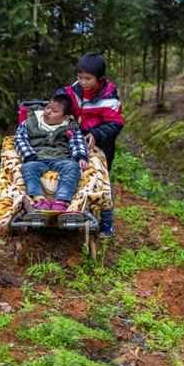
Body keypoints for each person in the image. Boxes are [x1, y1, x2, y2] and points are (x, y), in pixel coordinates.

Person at [64, 53, 124, 237]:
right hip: (78, 142)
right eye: (80, 77)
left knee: (101, 180)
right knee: (74, 173)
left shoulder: (109, 99)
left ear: (100, 79)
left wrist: (97, 134)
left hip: (102, 146)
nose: (83, 82)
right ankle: (73, 211)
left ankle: (107, 223)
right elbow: (64, 98)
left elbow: (115, 124)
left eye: (88, 79)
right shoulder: (75, 90)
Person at [14, 91, 89, 213]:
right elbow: (20, 139)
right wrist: (28, 155)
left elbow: (77, 141)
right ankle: (39, 199)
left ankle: (62, 200)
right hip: (37, 156)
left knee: (73, 167)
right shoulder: (30, 122)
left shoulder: (70, 125)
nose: (48, 112)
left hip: (62, 158)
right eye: (48, 107)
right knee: (28, 168)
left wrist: (81, 156)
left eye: (54, 111)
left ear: (64, 117)